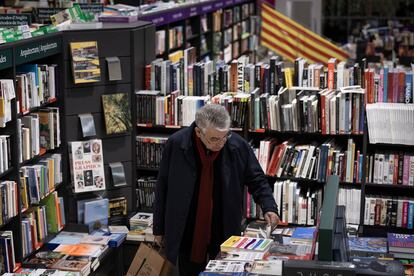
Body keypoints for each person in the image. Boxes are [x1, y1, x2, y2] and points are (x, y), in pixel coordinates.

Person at [153, 104, 279, 276]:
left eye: (224, 136)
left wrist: (269, 206)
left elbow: (256, 178)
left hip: (223, 224)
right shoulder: (176, 144)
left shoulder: (237, 145)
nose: (221, 143)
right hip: (187, 227)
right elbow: (162, 187)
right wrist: (159, 229)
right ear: (199, 132)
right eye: (214, 139)